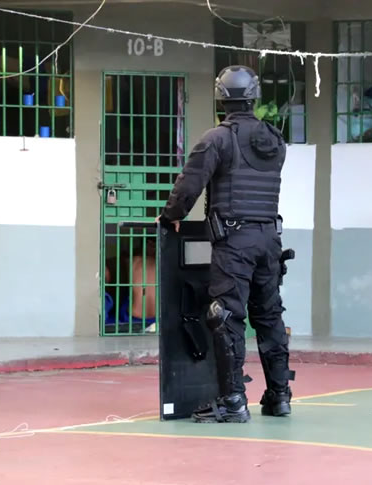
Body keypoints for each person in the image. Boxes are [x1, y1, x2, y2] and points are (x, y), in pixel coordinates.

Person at [156, 65, 294, 423]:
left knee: (226, 317)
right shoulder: (275, 141)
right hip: (269, 239)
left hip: (235, 241)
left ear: (220, 98)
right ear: (254, 97)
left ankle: (233, 400)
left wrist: (171, 214)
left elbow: (190, 183)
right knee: (269, 317)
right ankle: (279, 396)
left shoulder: (217, 139)